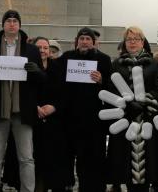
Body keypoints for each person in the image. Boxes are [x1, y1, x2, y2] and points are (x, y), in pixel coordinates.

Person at [0, 10, 45, 192]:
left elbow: (42, 80)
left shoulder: (31, 50)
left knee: (26, 158)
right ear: (3, 25)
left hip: (22, 112)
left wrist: (36, 71)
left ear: (19, 25)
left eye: (15, 21)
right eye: (8, 21)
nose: (11, 24)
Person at [107, 27, 158, 192]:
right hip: (124, 119)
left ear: (142, 42)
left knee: (148, 162)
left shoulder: (153, 63)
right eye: (129, 39)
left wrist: (144, 101)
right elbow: (111, 88)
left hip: (146, 118)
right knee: (124, 163)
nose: (132, 42)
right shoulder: (117, 64)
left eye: (136, 39)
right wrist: (127, 104)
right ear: (124, 43)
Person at [59, 27, 112, 192]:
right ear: (77, 41)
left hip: (93, 119)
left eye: (88, 39)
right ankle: (66, 185)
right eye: (81, 39)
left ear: (93, 42)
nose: (84, 42)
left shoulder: (103, 59)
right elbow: (57, 80)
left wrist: (102, 80)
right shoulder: (67, 58)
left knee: (92, 158)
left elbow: (111, 86)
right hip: (69, 118)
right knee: (67, 155)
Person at [32, 36, 67, 192]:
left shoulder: (58, 68)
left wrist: (54, 107)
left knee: (54, 158)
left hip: (54, 121)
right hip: (32, 119)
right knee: (34, 158)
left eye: (45, 47)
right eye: (39, 47)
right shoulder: (27, 67)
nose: (42, 51)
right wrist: (34, 106)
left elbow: (65, 93)